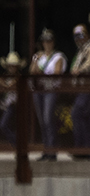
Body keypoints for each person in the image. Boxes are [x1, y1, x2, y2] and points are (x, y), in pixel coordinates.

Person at [29, 29, 66, 159]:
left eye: (49, 41)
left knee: (48, 118)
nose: (47, 43)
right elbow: (32, 72)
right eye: (44, 41)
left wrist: (41, 72)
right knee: (42, 121)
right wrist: (35, 60)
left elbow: (57, 73)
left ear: (53, 42)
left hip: (50, 90)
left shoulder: (58, 56)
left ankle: (52, 150)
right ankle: (46, 149)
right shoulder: (38, 56)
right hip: (38, 90)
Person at [68, 24, 90, 158]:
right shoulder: (80, 51)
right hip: (80, 89)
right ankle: (88, 151)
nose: (79, 39)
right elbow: (73, 69)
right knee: (86, 118)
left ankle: (81, 149)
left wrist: (79, 71)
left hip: (88, 88)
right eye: (76, 36)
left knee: (76, 114)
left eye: (81, 35)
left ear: (87, 35)